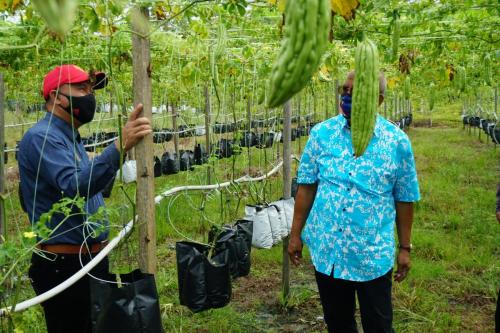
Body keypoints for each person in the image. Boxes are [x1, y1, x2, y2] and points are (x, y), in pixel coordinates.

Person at [17, 64, 152, 333]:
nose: (89, 95)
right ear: (56, 97)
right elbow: (75, 186)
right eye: (81, 88)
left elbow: (89, 188)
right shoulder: (41, 137)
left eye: (91, 89)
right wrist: (117, 147)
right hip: (65, 267)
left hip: (89, 261)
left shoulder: (71, 138)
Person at [288, 71, 420, 333]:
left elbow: (405, 199)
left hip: (371, 255)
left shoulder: (396, 142)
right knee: (338, 324)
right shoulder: (321, 134)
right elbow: (306, 187)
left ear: (378, 100)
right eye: (344, 91)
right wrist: (295, 234)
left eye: (355, 93)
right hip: (329, 252)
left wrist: (405, 247)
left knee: (379, 326)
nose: (346, 97)